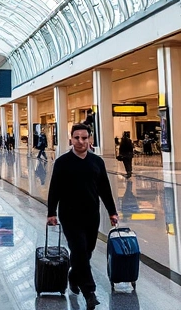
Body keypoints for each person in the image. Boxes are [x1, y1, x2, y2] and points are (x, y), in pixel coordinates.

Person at [46, 124, 118, 309]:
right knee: (78, 250)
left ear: (90, 139)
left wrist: (112, 211)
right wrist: (51, 212)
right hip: (70, 215)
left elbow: (104, 189)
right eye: (77, 138)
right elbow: (55, 189)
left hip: (91, 215)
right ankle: (90, 293)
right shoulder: (62, 162)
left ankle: (72, 275)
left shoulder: (97, 162)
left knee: (87, 251)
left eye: (84, 138)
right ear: (71, 139)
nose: (80, 141)